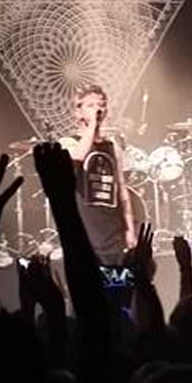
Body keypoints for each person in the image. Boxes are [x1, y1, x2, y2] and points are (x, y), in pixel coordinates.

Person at [57, 84, 137, 262]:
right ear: (78, 112)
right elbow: (78, 157)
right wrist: (91, 125)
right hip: (84, 229)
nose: (98, 109)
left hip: (112, 231)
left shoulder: (112, 147)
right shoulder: (68, 143)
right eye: (91, 106)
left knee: (117, 284)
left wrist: (130, 229)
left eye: (101, 105)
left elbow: (122, 192)